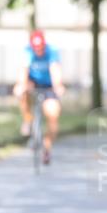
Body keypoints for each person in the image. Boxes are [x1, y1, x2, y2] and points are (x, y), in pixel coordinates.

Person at [13, 30, 65, 165]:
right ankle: (28, 121)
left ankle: (46, 148)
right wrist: (20, 85)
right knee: (23, 92)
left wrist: (58, 86)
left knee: (53, 115)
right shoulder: (28, 52)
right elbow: (23, 70)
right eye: (35, 47)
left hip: (49, 87)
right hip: (32, 84)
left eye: (40, 47)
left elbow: (55, 70)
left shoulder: (52, 51)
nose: (38, 50)